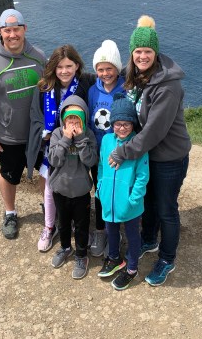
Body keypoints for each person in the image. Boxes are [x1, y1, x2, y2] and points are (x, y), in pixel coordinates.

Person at [108, 15, 191, 287]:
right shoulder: (138, 75)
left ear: (156, 52)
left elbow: (154, 132)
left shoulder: (168, 86)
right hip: (149, 155)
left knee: (166, 209)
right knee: (150, 202)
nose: (142, 56)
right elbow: (111, 78)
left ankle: (167, 259)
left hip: (169, 158)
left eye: (147, 51)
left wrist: (122, 152)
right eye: (138, 51)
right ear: (131, 53)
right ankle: (149, 240)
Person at [0, 9, 45, 239]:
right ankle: (10, 213)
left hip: (38, 134)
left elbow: (51, 91)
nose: (12, 35)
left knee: (47, 172)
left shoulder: (39, 57)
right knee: (8, 174)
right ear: (0, 31)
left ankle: (49, 207)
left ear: (25, 29)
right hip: (8, 136)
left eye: (16, 29)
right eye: (8, 30)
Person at [26, 45, 95, 252]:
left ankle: (76, 224)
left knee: (77, 187)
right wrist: (44, 133)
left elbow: (109, 76)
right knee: (50, 186)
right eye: (59, 67)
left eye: (69, 66)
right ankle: (50, 226)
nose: (64, 71)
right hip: (53, 144)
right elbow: (35, 115)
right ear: (53, 67)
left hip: (79, 144)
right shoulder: (44, 87)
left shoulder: (86, 83)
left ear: (77, 66)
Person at [96, 93, 149, 290]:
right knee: (111, 230)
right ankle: (114, 258)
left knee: (132, 236)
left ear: (133, 124)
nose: (122, 128)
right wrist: (100, 188)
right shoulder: (106, 140)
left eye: (127, 124)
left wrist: (133, 199)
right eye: (118, 123)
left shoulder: (138, 145)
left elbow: (143, 176)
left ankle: (132, 268)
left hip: (129, 203)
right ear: (112, 124)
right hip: (108, 199)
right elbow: (101, 166)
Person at [47, 95, 97, 279]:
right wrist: (66, 139)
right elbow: (54, 160)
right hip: (60, 189)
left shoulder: (88, 135)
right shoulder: (57, 134)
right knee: (63, 223)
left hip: (81, 190)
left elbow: (91, 161)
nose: (73, 124)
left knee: (82, 226)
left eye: (77, 120)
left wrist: (81, 139)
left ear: (84, 119)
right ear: (63, 120)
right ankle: (65, 247)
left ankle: (82, 255)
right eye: (70, 120)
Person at [87, 39, 125, 257]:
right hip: (98, 153)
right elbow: (89, 121)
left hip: (118, 153)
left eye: (109, 68)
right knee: (100, 192)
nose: (105, 73)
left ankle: (115, 232)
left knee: (117, 192)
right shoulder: (93, 91)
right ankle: (101, 230)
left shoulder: (125, 90)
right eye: (100, 69)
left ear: (117, 68)